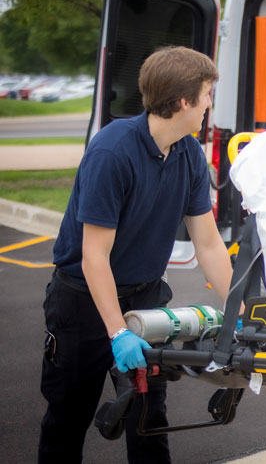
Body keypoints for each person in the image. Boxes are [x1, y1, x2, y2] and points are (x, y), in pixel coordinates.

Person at [39, 46, 233, 464]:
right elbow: (94, 256)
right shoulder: (113, 151)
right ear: (184, 102)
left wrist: (240, 311)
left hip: (145, 298)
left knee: (149, 418)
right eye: (206, 96)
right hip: (83, 302)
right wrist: (116, 332)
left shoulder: (188, 155)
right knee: (67, 418)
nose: (208, 107)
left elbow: (209, 243)